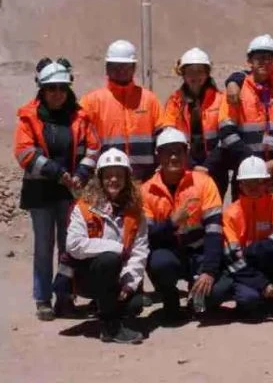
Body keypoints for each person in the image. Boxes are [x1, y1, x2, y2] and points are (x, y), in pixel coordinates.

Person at [14, 58, 100, 320]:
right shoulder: (28, 116)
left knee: (69, 246)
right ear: (42, 89)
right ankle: (43, 299)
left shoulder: (80, 116)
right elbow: (24, 152)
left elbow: (93, 148)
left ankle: (66, 296)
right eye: (51, 88)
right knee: (43, 246)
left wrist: (82, 173)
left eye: (62, 88)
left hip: (69, 193)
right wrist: (57, 172)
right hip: (40, 193)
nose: (57, 94)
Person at [58, 149, 149, 344]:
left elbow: (139, 251)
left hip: (119, 273)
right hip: (88, 276)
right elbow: (74, 245)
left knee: (134, 305)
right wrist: (115, 247)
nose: (113, 180)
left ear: (127, 178)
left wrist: (129, 282)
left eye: (119, 175)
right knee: (109, 258)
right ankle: (110, 326)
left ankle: (106, 307)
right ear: (99, 179)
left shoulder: (136, 212)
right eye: (108, 175)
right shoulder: (83, 207)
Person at [140, 129, 224, 324]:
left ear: (187, 154)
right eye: (167, 152)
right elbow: (147, 236)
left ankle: (196, 296)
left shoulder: (204, 183)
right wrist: (171, 223)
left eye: (179, 151)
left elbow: (214, 230)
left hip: (200, 252)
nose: (174, 157)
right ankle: (171, 302)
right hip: (170, 254)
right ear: (158, 155)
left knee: (217, 293)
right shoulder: (146, 191)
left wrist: (209, 271)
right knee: (159, 262)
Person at [219, 34, 273, 195]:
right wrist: (253, 162)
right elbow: (227, 132)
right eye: (259, 58)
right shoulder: (235, 92)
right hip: (245, 169)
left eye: (269, 58)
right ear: (249, 61)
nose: (264, 62)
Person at [212, 156, 273, 320]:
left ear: (267, 182)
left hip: (272, 265)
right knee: (239, 298)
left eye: (258, 181)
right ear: (240, 185)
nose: (253, 186)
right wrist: (262, 284)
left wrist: (250, 251)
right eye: (248, 182)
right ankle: (249, 294)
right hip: (244, 270)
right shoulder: (230, 213)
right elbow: (233, 257)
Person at [81, 39, 162, 182]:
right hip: (107, 180)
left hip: (145, 179)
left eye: (125, 66)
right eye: (115, 66)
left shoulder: (149, 100)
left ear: (134, 68)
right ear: (107, 68)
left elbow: (162, 137)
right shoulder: (91, 102)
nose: (120, 70)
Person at [158, 47, 228, 195]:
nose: (195, 77)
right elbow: (169, 137)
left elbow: (225, 138)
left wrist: (208, 166)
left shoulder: (221, 99)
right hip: (185, 168)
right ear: (183, 75)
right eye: (190, 72)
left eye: (199, 71)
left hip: (215, 168)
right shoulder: (174, 102)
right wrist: (191, 165)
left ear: (207, 73)